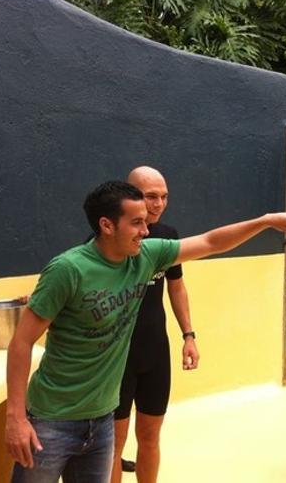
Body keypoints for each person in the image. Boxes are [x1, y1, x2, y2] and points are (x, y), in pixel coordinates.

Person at [5, 181, 286, 483]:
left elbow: (211, 241)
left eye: (145, 221)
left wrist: (265, 221)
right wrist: (16, 418)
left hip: (102, 420)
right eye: (136, 223)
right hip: (52, 421)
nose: (146, 231)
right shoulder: (68, 270)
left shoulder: (146, 256)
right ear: (107, 225)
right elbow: (22, 341)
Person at [111, 167, 199, 483]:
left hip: (154, 352)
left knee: (150, 438)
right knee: (114, 445)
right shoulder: (109, 238)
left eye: (164, 197)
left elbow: (176, 285)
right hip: (117, 357)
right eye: (151, 196)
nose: (158, 204)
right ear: (130, 195)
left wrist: (188, 335)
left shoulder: (167, 237)